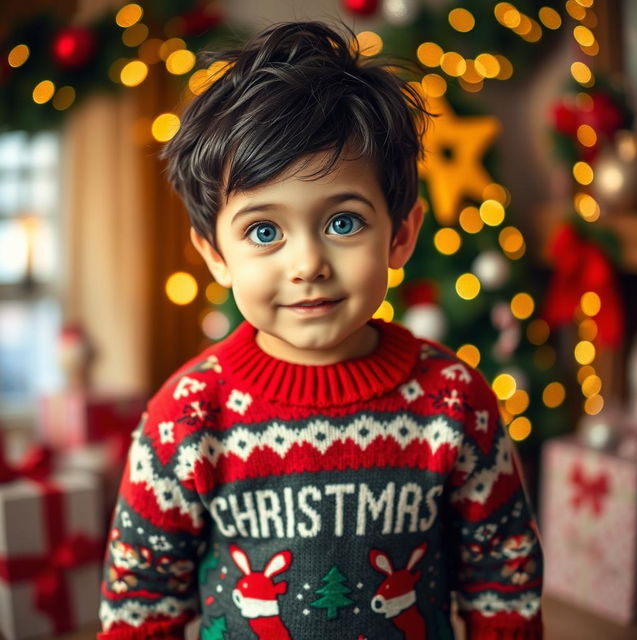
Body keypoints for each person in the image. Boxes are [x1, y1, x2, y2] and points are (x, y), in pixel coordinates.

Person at [98, 20, 543, 640]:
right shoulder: (187, 415)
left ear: (402, 235)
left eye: (342, 222)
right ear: (215, 255)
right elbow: (141, 603)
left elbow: (504, 577)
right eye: (263, 231)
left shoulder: (454, 399)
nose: (306, 263)